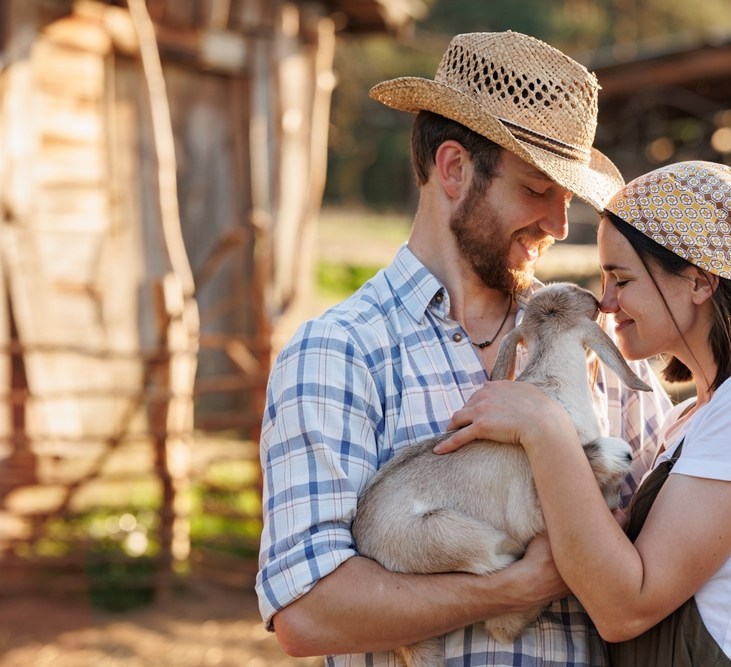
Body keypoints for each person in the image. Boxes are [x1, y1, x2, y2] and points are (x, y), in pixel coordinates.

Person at [255, 31, 675, 666]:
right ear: (454, 169)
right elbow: (308, 612)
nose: (560, 226)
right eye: (538, 189)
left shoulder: (604, 343)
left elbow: (665, 546)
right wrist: (514, 588)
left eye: (568, 199)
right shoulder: (339, 353)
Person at [438, 160, 731, 666]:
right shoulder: (690, 417)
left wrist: (544, 428)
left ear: (698, 282)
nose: (605, 304)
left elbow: (626, 607)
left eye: (621, 280)